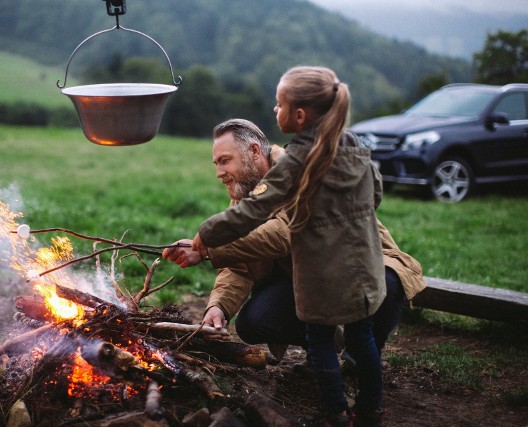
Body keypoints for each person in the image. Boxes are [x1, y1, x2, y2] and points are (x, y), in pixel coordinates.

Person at [189, 66, 385, 426]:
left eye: (278, 106)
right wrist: (217, 304)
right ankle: (370, 411)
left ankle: (336, 413)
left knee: (321, 339)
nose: (274, 112)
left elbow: (264, 217)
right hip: (363, 267)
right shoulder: (355, 145)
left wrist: (207, 235)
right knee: (364, 338)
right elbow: (377, 195)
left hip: (322, 272)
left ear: (299, 114)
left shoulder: (294, 161)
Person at [163, 119, 426, 362]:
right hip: (308, 281)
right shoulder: (244, 196)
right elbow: (239, 264)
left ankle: (358, 359)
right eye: (216, 164)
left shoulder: (300, 171)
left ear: (254, 151)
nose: (219, 172)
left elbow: (286, 233)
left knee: (388, 282)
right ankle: (327, 341)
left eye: (225, 160)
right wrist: (218, 306)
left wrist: (209, 247)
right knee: (253, 322)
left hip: (354, 265)